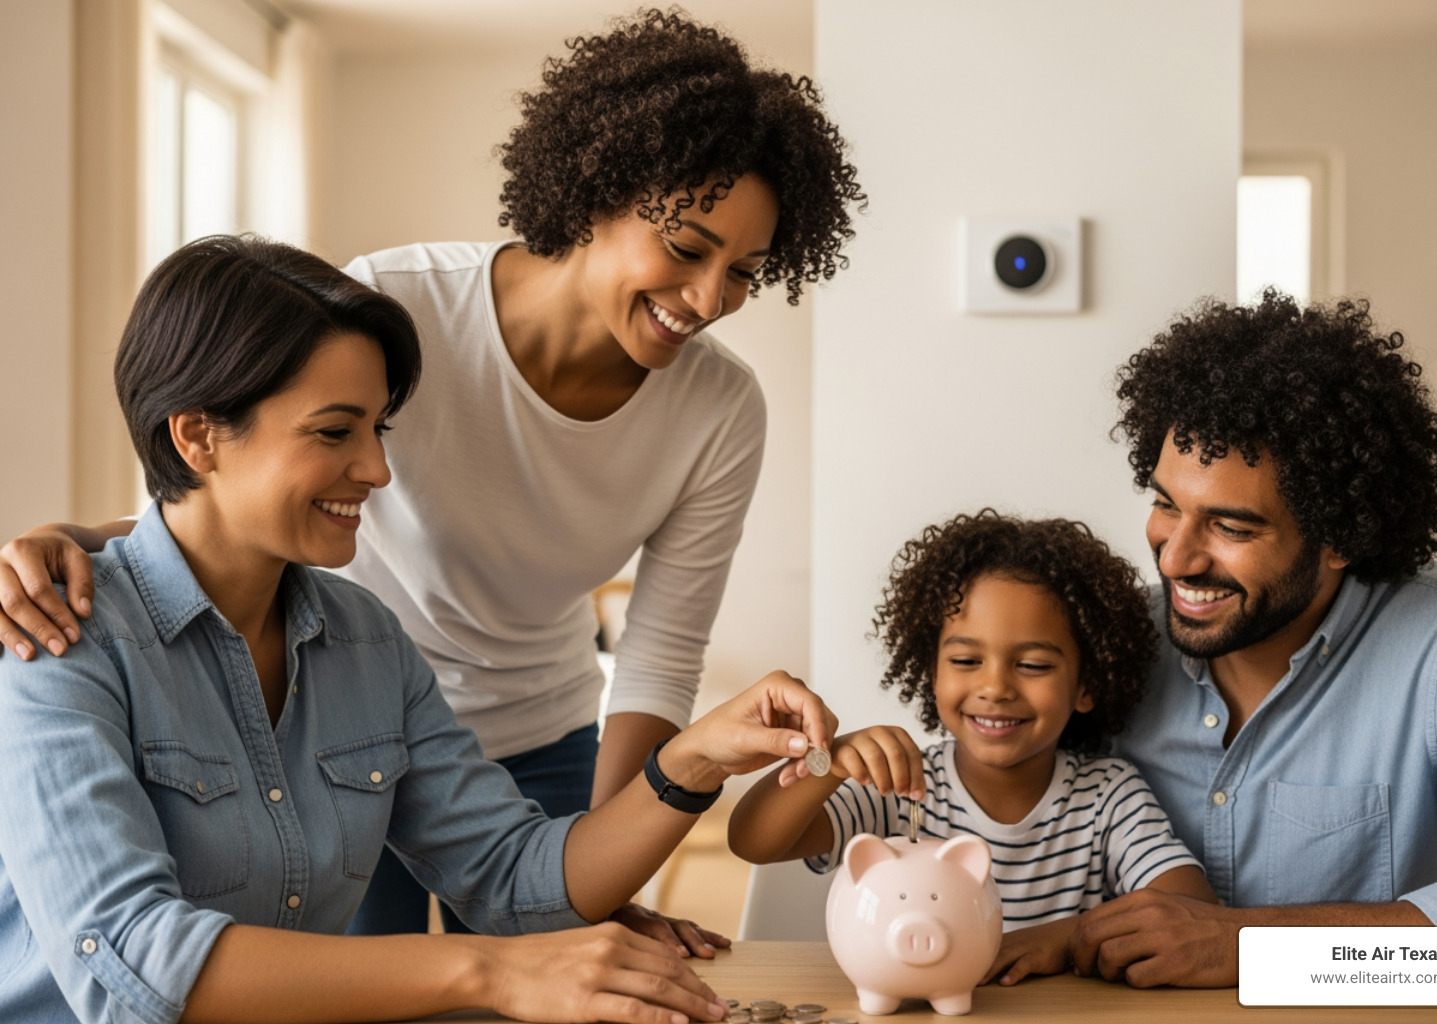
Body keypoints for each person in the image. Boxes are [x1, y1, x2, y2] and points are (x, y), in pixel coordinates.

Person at [0, 9, 864, 947]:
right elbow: (234, 480)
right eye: (690, 248)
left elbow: (654, 662)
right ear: (595, 194)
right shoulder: (396, 307)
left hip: (492, 718)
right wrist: (89, 546)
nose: (710, 300)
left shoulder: (717, 411)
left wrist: (632, 832)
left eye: (745, 271)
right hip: (330, 725)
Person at [0, 235, 838, 1024]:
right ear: (198, 436)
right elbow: (128, 955)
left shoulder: (364, 641)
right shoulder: (57, 643)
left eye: (377, 429)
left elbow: (516, 880)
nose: (377, 469)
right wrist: (490, 971)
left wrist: (690, 762)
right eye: (335, 432)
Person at [1070, 290, 1437, 990]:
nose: (1174, 559)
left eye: (1230, 528)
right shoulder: (1109, 641)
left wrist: (1255, 946)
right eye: (1167, 504)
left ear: (1341, 537)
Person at [727, 511, 1216, 986]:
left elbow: (1189, 908)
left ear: (1086, 685)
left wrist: (1068, 936)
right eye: (965, 659)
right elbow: (753, 840)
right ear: (931, 672)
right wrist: (828, 762)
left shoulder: (1107, 795)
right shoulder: (899, 784)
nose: (995, 687)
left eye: (1033, 665)